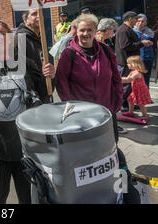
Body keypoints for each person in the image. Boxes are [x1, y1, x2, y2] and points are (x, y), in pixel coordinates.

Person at [55, 13, 140, 203]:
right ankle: (93, 191)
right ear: (76, 30)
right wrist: (76, 110)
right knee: (88, 158)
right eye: (82, 30)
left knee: (112, 152)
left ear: (95, 32)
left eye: (89, 30)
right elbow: (62, 84)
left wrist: (116, 103)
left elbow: (116, 79)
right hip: (82, 119)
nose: (85, 33)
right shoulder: (68, 54)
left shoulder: (105, 50)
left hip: (107, 114)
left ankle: (121, 191)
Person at [0, 20, 55, 204]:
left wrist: (49, 76)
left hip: (23, 146)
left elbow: (44, 93)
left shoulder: (25, 63)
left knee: (27, 196)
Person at [115, 11, 153, 109]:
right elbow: (125, 46)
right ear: (130, 19)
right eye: (135, 19)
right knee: (126, 84)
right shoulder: (123, 30)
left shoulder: (126, 29)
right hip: (125, 62)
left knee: (128, 84)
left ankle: (126, 103)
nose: (136, 21)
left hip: (128, 62)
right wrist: (142, 43)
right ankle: (123, 104)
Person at [15, 9, 55, 103]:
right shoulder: (20, 39)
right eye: (34, 14)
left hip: (43, 95)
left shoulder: (37, 38)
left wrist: (51, 75)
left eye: (40, 14)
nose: (39, 16)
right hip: (33, 101)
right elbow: (21, 73)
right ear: (25, 20)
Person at [121, 55, 152, 121]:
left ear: (134, 64)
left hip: (140, 90)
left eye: (129, 63)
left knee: (141, 104)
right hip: (135, 90)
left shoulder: (137, 73)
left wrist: (119, 79)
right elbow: (127, 79)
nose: (127, 64)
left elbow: (128, 80)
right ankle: (130, 112)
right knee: (130, 100)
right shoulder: (132, 72)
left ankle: (145, 115)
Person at [133, 14, 155, 87]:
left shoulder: (150, 32)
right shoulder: (132, 31)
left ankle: (146, 96)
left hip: (148, 58)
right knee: (136, 78)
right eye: (138, 21)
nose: (140, 23)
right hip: (136, 58)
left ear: (145, 22)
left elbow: (154, 44)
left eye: (142, 21)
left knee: (146, 79)